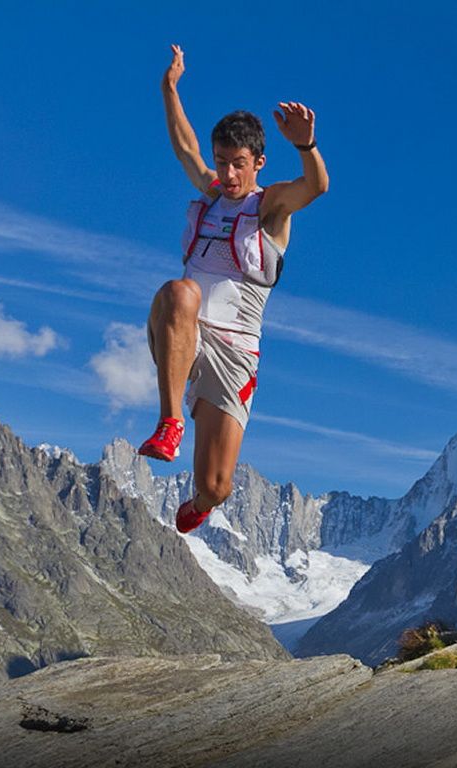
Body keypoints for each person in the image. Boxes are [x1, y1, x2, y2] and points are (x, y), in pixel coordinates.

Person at [139, 44, 328, 534]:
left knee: (217, 484)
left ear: (258, 162)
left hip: (237, 350)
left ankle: (203, 502)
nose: (226, 174)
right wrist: (169, 88)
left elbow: (316, 187)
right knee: (179, 292)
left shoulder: (271, 207)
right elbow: (185, 147)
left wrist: (306, 146)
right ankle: (170, 423)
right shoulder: (210, 195)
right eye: (221, 162)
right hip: (186, 330)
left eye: (237, 164)